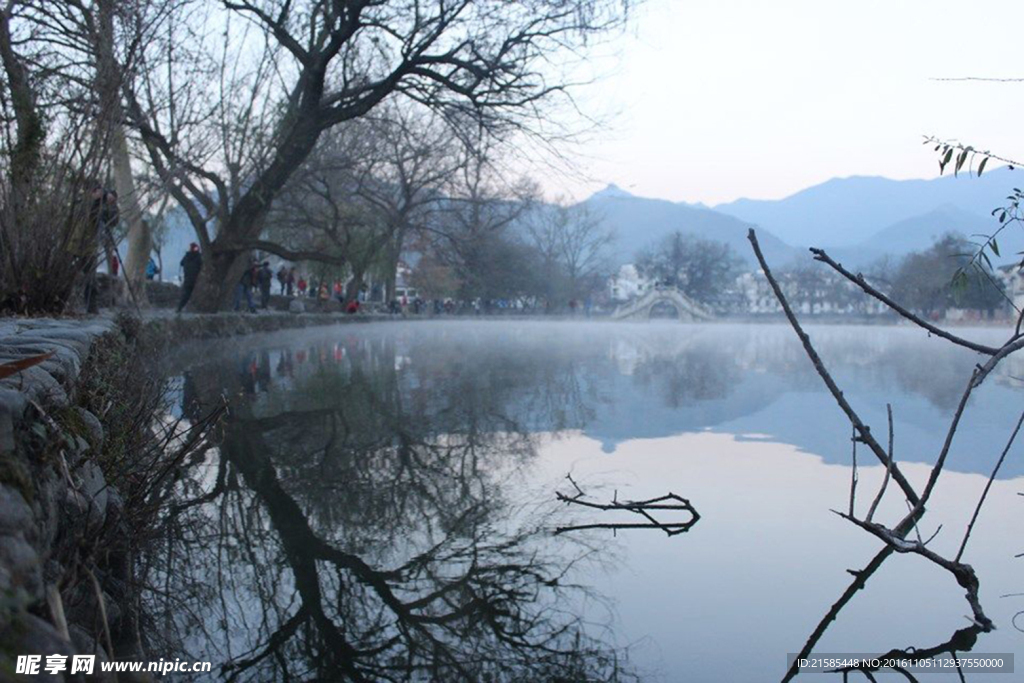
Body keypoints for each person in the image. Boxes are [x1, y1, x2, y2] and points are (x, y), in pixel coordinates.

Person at [177, 243, 202, 313]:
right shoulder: (199, 257)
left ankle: (180, 307)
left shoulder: (186, 256)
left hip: (187, 279)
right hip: (196, 279)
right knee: (191, 294)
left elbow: (181, 263)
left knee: (186, 294)